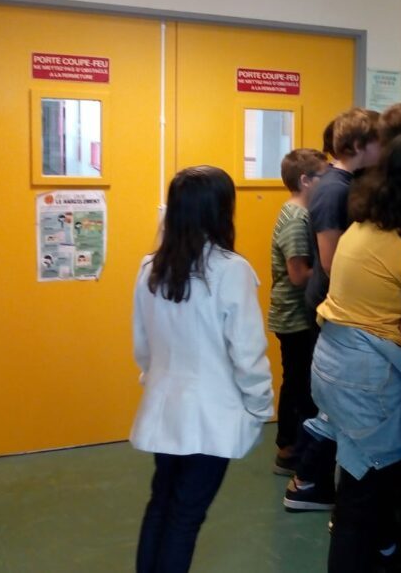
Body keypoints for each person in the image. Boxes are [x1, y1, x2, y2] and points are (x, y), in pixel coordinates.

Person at [308, 131, 401, 572]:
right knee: (364, 496)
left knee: (362, 486)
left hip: (337, 362)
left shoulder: (366, 224)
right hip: (369, 377)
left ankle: (386, 551)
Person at [130, 165, 273, 573]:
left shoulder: (150, 268)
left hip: (163, 407)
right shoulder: (231, 270)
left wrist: (154, 378)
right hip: (213, 414)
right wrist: (260, 406)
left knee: (162, 503)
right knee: (186, 516)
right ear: (220, 209)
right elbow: (247, 352)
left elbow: (142, 343)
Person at [286, 107, 382, 512]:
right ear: (359, 146)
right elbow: (331, 261)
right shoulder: (334, 189)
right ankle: (308, 480)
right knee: (328, 405)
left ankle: (311, 478)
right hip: (330, 307)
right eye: (378, 141)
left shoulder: (340, 184)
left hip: (331, 304)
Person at [267, 148, 330, 476]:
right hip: (293, 316)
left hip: (294, 313)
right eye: (323, 175)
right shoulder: (297, 220)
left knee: (297, 379)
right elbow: (297, 274)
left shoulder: (297, 213)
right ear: (305, 181)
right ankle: (289, 447)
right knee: (298, 382)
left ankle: (290, 444)